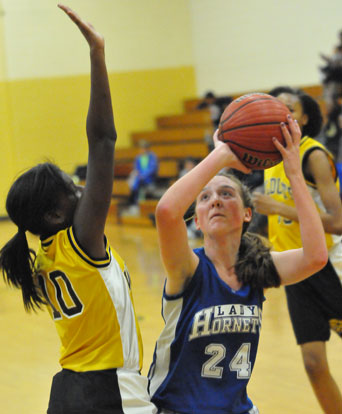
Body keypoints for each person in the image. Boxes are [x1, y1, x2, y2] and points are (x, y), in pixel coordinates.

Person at [0, 5, 156, 414]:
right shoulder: (78, 242)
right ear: (55, 215)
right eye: (73, 189)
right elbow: (103, 139)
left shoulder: (47, 257)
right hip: (109, 392)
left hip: (70, 393)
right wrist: (97, 51)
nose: (84, 189)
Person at [148, 116, 328, 414]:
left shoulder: (256, 270)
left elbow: (315, 257)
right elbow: (167, 211)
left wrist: (294, 173)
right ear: (198, 220)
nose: (215, 200)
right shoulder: (188, 268)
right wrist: (220, 156)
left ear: (247, 214)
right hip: (177, 408)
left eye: (226, 194)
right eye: (205, 198)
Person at [253, 86, 342, 414]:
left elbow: (338, 221)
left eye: (288, 108)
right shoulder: (270, 158)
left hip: (332, 263)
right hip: (297, 269)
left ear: (303, 118)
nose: (280, 113)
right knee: (313, 363)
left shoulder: (313, 155)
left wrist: (279, 209)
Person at [127, 140, 158, 211]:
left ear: (146, 149)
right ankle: (134, 203)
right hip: (140, 178)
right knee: (134, 183)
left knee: (138, 182)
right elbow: (136, 168)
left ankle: (138, 203)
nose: (141, 150)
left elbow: (152, 169)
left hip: (149, 178)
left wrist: (143, 175)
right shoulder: (138, 158)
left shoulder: (152, 157)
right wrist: (139, 175)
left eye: (142, 148)